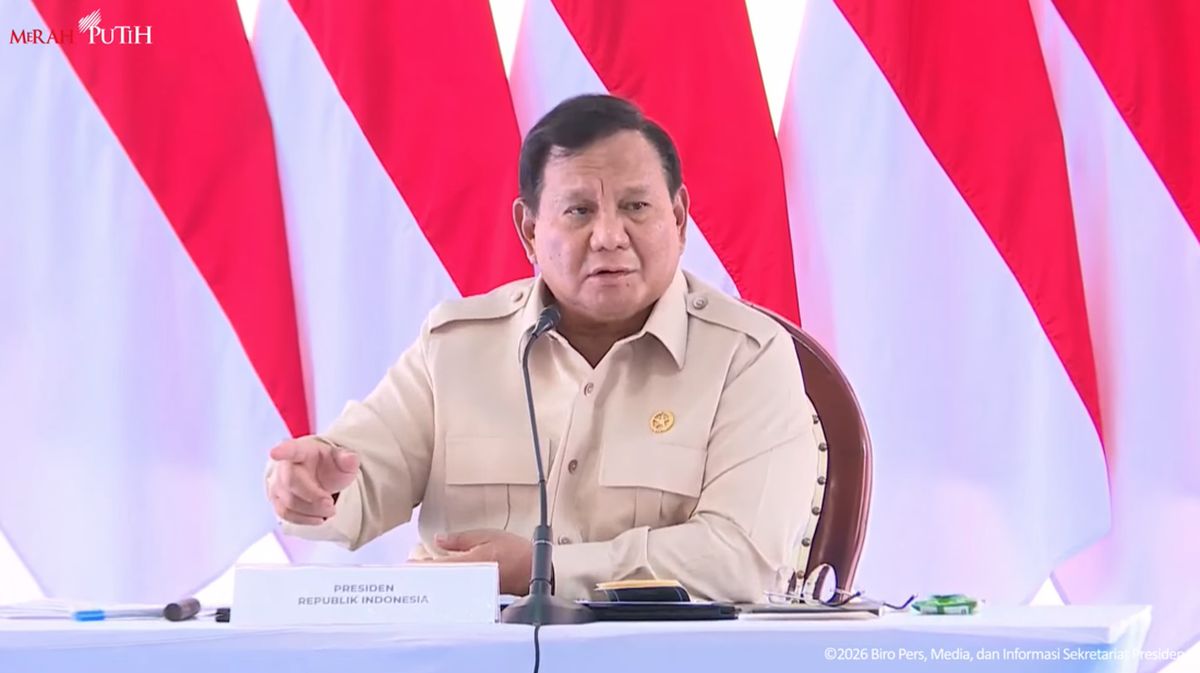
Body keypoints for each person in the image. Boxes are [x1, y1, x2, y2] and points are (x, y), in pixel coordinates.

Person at [266, 94, 821, 603]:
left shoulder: (747, 356)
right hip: (470, 659)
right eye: (579, 211)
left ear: (678, 219)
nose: (609, 236)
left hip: (657, 659)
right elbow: (357, 484)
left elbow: (741, 560)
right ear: (529, 230)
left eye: (636, 207)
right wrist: (315, 489)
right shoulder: (458, 345)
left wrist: (545, 571)